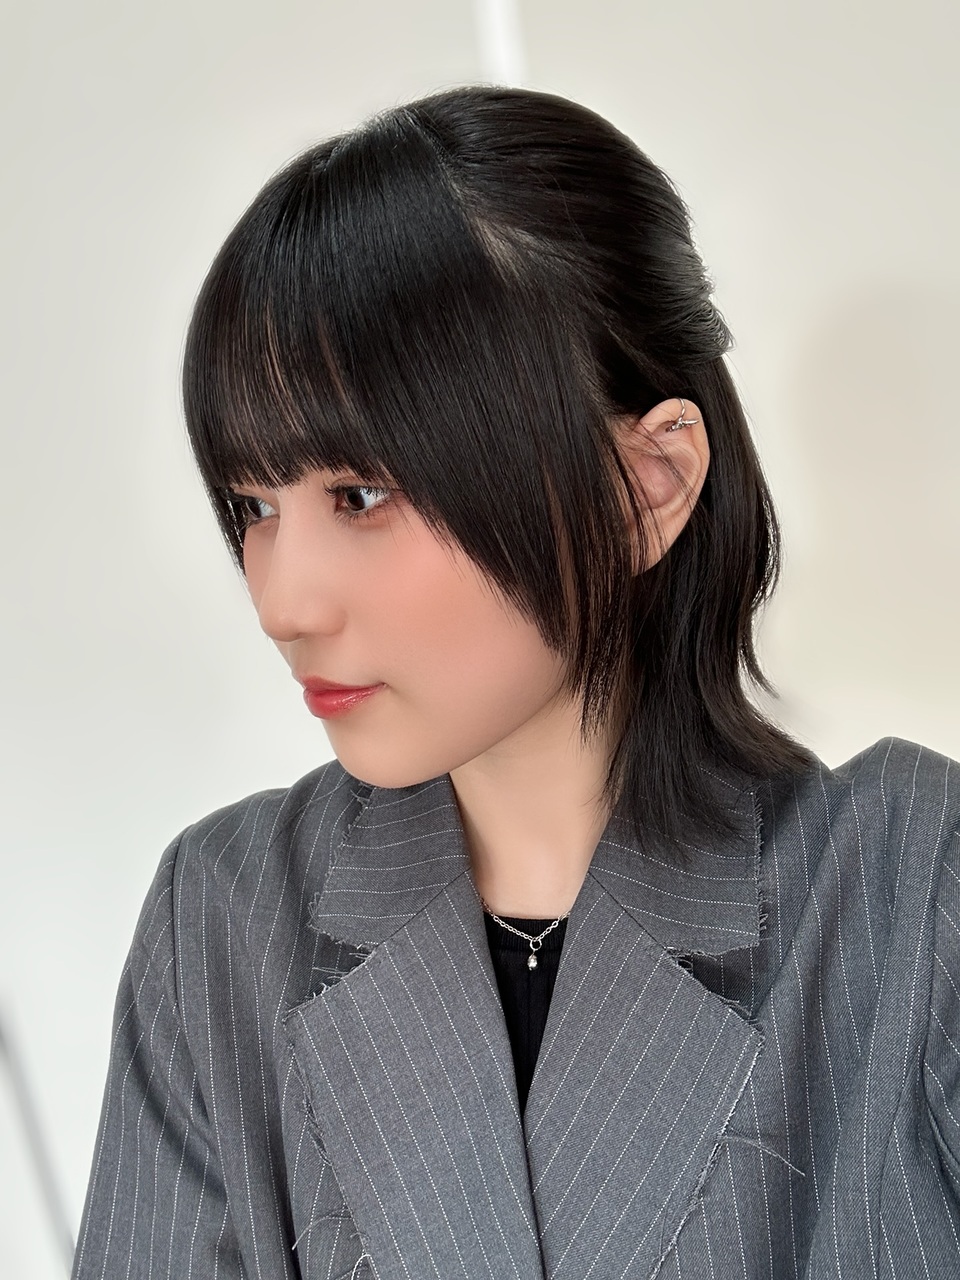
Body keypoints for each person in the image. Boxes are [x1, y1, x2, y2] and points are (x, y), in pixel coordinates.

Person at [71, 84, 960, 1280]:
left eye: (360, 495)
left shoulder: (913, 890)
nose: (282, 601)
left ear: (646, 486)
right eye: (253, 505)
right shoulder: (225, 925)